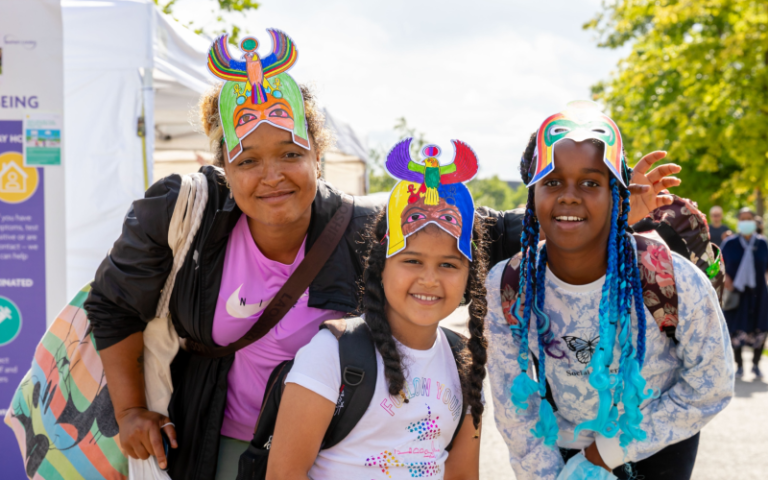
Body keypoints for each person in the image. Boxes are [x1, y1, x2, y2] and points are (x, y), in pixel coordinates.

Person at [83, 30, 681, 479]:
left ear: (317, 152)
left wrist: (601, 215)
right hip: (213, 440)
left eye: (290, 153)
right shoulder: (185, 215)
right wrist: (132, 408)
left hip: (335, 451)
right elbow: (112, 305)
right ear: (223, 164)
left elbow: (489, 234)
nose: (272, 177)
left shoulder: (360, 227)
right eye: (248, 160)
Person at [484, 102, 734, 480]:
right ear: (532, 196)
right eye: (552, 181)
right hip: (558, 454)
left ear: (618, 194)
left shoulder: (670, 278)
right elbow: (514, 409)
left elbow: (712, 384)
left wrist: (602, 456)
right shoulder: (509, 286)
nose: (569, 195)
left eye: (590, 182)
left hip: (658, 449)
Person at [267, 141, 487, 480]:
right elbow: (284, 474)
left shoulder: (465, 366)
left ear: (468, 275)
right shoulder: (331, 354)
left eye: (448, 264)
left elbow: (461, 475)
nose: (429, 279)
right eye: (412, 261)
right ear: (380, 267)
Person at [721, 207, 768, 378]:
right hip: (736, 294)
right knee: (735, 328)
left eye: (749, 218)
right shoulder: (730, 244)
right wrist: (726, 279)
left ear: (754, 221)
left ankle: (755, 365)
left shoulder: (762, 243)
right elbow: (719, 265)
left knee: (761, 327)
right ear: (738, 222)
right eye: (743, 218)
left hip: (759, 294)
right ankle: (739, 366)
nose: (746, 221)